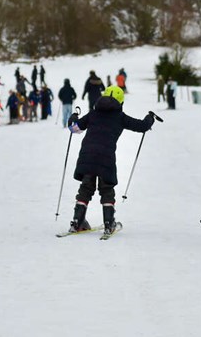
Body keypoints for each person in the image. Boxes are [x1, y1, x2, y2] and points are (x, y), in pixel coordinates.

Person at [66, 85, 155, 236]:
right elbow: (141, 126)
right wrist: (150, 118)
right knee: (106, 189)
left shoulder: (93, 114)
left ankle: (77, 222)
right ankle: (109, 223)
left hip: (87, 155)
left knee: (86, 188)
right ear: (121, 102)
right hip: (106, 157)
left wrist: (73, 118)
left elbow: (74, 128)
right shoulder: (120, 117)